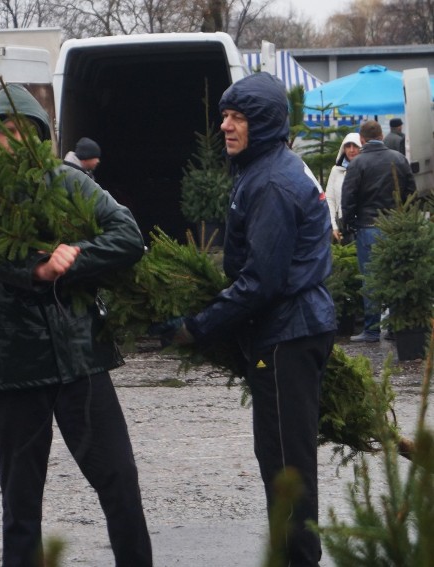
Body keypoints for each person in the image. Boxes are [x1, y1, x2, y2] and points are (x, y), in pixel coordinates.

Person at [0, 84, 153, 566]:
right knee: (21, 496)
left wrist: (74, 260)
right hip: (12, 364)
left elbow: (128, 235)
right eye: (5, 132)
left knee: (119, 479)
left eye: (27, 131)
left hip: (80, 356)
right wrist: (37, 268)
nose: (17, 140)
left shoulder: (70, 182)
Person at [165, 73, 336, 567]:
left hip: (287, 334)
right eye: (224, 116)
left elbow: (260, 281)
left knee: (287, 466)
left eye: (237, 117)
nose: (225, 126)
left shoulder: (271, 184)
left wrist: (199, 326)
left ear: (262, 123)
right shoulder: (266, 168)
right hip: (294, 328)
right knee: (281, 458)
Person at [341, 119, 415, 342]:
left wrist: (350, 224)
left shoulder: (357, 164)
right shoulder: (399, 159)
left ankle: (372, 330)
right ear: (382, 136)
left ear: (361, 139)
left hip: (368, 227)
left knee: (371, 279)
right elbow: (412, 191)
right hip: (395, 227)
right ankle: (394, 328)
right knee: (395, 275)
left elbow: (348, 198)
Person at [324, 132, 361, 242]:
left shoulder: (366, 168)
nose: (351, 150)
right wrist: (333, 226)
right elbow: (329, 199)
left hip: (362, 226)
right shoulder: (336, 170)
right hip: (343, 227)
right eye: (348, 146)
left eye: (355, 146)